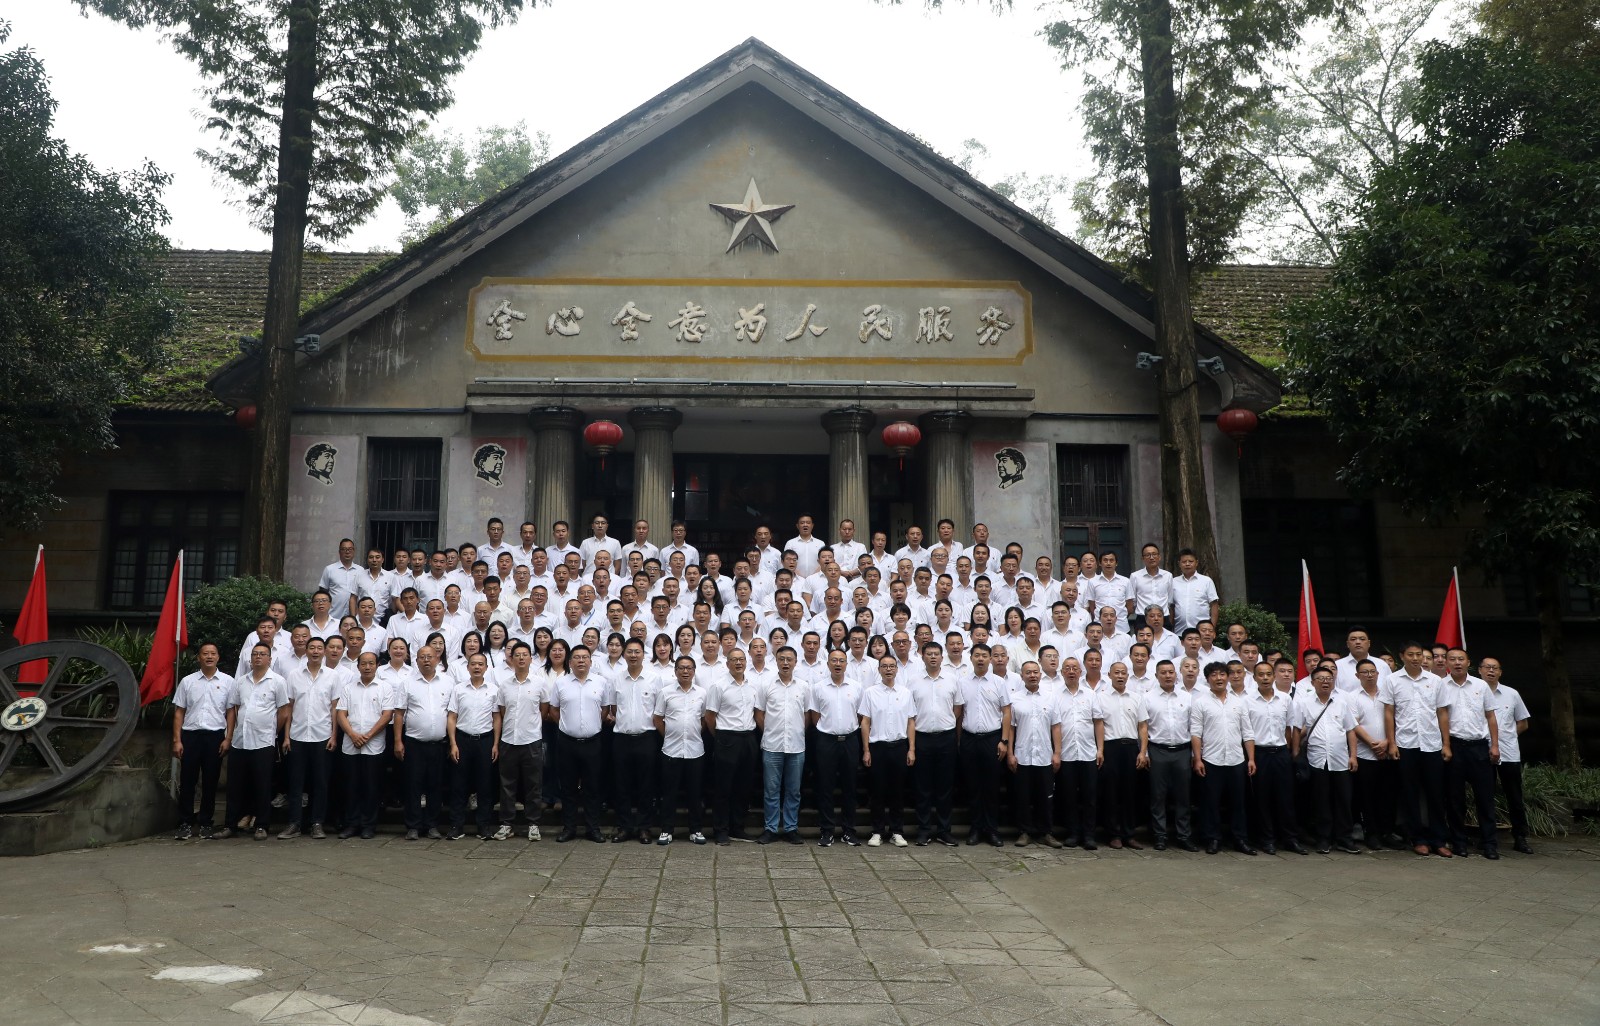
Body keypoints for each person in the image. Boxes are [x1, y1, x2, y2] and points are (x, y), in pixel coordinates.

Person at [216, 643, 290, 840]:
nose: (258, 657)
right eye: (255, 654)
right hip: (240, 741)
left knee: (262, 785)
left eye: (262, 654)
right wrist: (230, 735)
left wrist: (272, 730)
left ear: (269, 659)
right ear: (250, 659)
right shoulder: (241, 681)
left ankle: (262, 825)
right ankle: (230, 825)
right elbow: (234, 708)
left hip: (263, 742)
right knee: (235, 785)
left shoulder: (278, 681)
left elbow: (284, 711)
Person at [1386, 642, 1451, 856]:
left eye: (1419, 655)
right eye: (1411, 654)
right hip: (1406, 744)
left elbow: (1442, 712)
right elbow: (1389, 713)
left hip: (1432, 744)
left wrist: (1446, 744)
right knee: (1410, 793)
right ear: (1402, 656)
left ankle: (1438, 839)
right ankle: (1418, 838)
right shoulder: (1392, 680)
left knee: (1435, 793)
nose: (1415, 658)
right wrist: (1392, 743)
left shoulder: (1435, 681)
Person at [1437, 648, 1501, 859]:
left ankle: (1489, 843)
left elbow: (1490, 716)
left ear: (1468, 662)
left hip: (1479, 747)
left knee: (1485, 797)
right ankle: (1459, 842)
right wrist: (1446, 745)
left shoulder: (1481, 686)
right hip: (1455, 746)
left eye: (1461, 659)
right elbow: (1441, 715)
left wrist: (1494, 745)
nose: (1457, 663)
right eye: (1453, 659)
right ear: (1447, 663)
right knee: (1455, 798)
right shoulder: (1441, 685)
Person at [1190, 662, 1257, 855]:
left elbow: (1247, 732)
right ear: (1207, 679)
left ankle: (1240, 839)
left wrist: (1251, 759)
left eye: (1222, 674)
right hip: (1211, 759)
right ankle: (1213, 838)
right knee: (1210, 802)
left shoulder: (1239, 702)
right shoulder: (1200, 703)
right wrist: (1198, 759)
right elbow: (1196, 733)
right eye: (1214, 675)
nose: (1218, 678)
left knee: (1238, 802)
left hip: (1236, 759)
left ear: (1227, 677)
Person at [1294, 666, 1360, 854]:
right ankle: (1323, 839)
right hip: (1317, 760)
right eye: (1321, 678)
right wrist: (1296, 753)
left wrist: (1353, 756)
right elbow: (1297, 729)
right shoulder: (1304, 703)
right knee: (1321, 801)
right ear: (1313, 682)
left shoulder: (1341, 703)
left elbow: (1350, 730)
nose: (1325, 682)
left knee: (1344, 801)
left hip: (1341, 760)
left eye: (1329, 678)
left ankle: (1345, 839)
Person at [172, 643, 234, 840]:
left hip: (215, 737)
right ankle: (185, 822)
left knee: (210, 781)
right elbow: (179, 712)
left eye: (213, 653)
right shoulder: (188, 681)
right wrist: (177, 740)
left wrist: (228, 738)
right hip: (191, 736)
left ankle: (206, 822)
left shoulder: (228, 681)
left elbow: (231, 712)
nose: (209, 656)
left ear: (218, 657)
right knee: (187, 781)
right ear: (198, 657)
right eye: (205, 653)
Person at [279, 636, 338, 839]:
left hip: (322, 735)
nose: (315, 651)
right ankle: (294, 823)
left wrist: (334, 735)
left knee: (320, 783)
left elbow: (334, 708)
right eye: (311, 648)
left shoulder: (332, 676)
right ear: (306, 651)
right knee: (295, 782)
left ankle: (317, 823)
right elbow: (289, 707)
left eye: (319, 648)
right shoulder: (294, 675)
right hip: (297, 735)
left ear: (324, 651)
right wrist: (286, 736)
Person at [393, 643, 453, 840]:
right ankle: (413, 825)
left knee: (435, 785)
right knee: (413, 785)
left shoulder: (447, 682)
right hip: (414, 743)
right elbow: (399, 714)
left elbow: (452, 714)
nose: (426, 660)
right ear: (416, 661)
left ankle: (432, 825)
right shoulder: (407, 683)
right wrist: (398, 741)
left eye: (430, 657)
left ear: (437, 659)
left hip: (439, 743)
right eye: (422, 657)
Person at [604, 637, 660, 844]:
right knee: (622, 785)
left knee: (647, 785)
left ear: (643, 654)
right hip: (622, 739)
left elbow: (658, 709)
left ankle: (645, 828)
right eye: (630, 652)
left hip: (647, 738)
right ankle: (624, 827)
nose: (633, 655)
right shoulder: (616, 679)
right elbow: (614, 708)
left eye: (637, 652)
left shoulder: (654, 679)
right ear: (624, 654)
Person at [549, 645, 607, 843]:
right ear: (570, 662)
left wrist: (592, 725)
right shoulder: (561, 683)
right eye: (577, 657)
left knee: (593, 787)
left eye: (585, 657)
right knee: (568, 788)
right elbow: (554, 710)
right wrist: (567, 726)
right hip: (567, 743)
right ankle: (569, 828)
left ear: (591, 661)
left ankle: (593, 829)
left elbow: (605, 709)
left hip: (593, 742)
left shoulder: (601, 682)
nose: (581, 661)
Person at [1247, 660, 1304, 855]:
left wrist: (1289, 751)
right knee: (1262, 798)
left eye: (1268, 674)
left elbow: (1289, 727)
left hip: (1280, 753)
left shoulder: (1285, 699)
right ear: (1254, 678)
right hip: (1260, 753)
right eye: (1260, 675)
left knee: (1286, 798)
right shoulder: (1248, 701)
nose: (1265, 678)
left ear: (1273, 676)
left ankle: (1290, 839)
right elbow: (1247, 732)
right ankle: (1267, 839)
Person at [908, 641, 962, 846]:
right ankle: (923, 830)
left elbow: (957, 709)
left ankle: (944, 830)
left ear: (942, 657)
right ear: (922, 656)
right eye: (929, 654)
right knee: (922, 787)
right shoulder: (913, 681)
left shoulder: (952, 679)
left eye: (936, 654)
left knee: (945, 787)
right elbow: (910, 713)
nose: (932, 657)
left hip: (946, 737)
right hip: (921, 737)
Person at [808, 649, 864, 847]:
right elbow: (815, 716)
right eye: (834, 660)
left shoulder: (857, 687)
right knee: (825, 786)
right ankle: (827, 830)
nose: (838, 664)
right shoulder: (818, 688)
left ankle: (849, 830)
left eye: (841, 661)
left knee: (850, 786)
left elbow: (860, 715)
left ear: (846, 664)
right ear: (828, 664)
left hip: (850, 740)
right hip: (826, 741)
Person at [705, 647, 761, 844]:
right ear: (727, 663)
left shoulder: (753, 685)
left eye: (741, 659)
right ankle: (720, 830)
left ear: (746, 662)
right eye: (734, 659)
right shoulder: (718, 686)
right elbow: (710, 717)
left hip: (749, 738)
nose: (738, 663)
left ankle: (737, 828)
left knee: (744, 786)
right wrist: (720, 738)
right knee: (723, 787)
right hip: (727, 738)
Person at [755, 646, 810, 844]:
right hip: (772, 745)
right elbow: (759, 713)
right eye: (782, 659)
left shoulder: (803, 686)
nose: (785, 663)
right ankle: (770, 828)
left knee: (793, 790)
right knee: (771, 790)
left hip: (796, 746)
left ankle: (791, 828)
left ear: (795, 662)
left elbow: (806, 715)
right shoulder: (766, 685)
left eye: (789, 659)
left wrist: (797, 731)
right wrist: (770, 731)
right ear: (776, 661)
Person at [335, 651, 393, 839]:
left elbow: (387, 715)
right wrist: (352, 734)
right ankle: (351, 824)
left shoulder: (385, 687)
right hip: (350, 745)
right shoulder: (348, 688)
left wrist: (368, 736)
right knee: (351, 787)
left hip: (374, 745)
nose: (367, 667)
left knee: (371, 787)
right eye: (364, 664)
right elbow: (341, 714)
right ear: (358, 666)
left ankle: (368, 825)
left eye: (371, 663)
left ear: (377, 665)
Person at [860, 655, 916, 848]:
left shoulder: (905, 693)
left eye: (892, 666)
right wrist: (866, 750)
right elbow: (865, 722)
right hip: (878, 747)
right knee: (877, 791)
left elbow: (910, 721)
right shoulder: (870, 692)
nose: (889, 669)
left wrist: (911, 749)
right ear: (879, 670)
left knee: (897, 791)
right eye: (884, 666)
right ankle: (877, 831)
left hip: (899, 746)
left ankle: (896, 831)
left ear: (897, 669)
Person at [958, 644, 1011, 847]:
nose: (980, 659)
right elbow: (960, 713)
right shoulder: (962, 682)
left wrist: (1004, 741)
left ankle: (992, 830)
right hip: (969, 739)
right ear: (971, 658)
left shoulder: (999, 682)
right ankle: (975, 829)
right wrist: (959, 740)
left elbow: (1006, 712)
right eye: (977, 655)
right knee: (972, 786)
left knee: (991, 787)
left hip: (992, 739)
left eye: (984, 656)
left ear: (990, 659)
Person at [495, 640, 548, 841]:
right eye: (517, 655)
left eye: (525, 654)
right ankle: (506, 824)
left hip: (531, 740)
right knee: (507, 784)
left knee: (533, 784)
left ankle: (533, 824)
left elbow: (543, 709)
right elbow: (502, 711)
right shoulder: (504, 685)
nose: (521, 658)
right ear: (511, 659)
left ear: (530, 658)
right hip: (509, 739)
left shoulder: (539, 683)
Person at [654, 656, 710, 844]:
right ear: (675, 671)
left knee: (695, 793)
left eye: (689, 668)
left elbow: (704, 719)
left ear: (694, 671)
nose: (685, 671)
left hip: (695, 750)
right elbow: (658, 719)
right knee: (669, 793)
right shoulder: (665, 692)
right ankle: (666, 830)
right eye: (681, 668)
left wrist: (693, 734)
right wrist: (670, 735)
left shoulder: (702, 693)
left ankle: (696, 830)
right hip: (671, 749)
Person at [1093, 661, 1148, 849]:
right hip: (1111, 747)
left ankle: (1129, 834)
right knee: (1111, 792)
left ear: (1127, 675)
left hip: (1131, 748)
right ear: (1109, 675)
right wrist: (1100, 750)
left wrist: (1142, 751)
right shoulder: (1100, 698)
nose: (1120, 676)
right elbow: (1099, 725)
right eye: (1116, 672)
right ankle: (1113, 834)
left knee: (1130, 792)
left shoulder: (1136, 697)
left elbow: (1143, 726)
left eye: (1123, 673)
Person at [446, 653, 502, 840]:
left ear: (486, 667)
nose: (477, 667)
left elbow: (496, 718)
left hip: (485, 740)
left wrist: (495, 743)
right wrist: (453, 743)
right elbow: (452, 717)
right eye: (473, 664)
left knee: (485, 785)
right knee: (458, 784)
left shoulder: (494, 690)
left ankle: (484, 826)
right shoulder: (459, 689)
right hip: (462, 740)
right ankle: (456, 825)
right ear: (468, 667)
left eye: (480, 664)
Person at [1008, 660, 1063, 848]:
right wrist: (1010, 753)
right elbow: (1011, 728)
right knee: (1022, 797)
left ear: (1040, 675)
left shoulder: (1051, 698)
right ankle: (1024, 832)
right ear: (1021, 676)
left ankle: (1046, 832)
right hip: (1022, 755)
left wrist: (1057, 753)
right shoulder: (1014, 699)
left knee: (1045, 797)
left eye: (1035, 672)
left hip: (1044, 756)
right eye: (1028, 672)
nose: (1032, 675)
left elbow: (1056, 727)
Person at [1481, 656, 1532, 854]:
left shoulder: (1512, 694)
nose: (1491, 671)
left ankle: (1520, 837)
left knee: (1514, 796)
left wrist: (1508, 737)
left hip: (1509, 753)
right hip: (1482, 752)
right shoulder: (1474, 692)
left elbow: (1523, 723)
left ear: (1500, 672)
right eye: (1487, 667)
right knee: (1485, 796)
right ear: (1480, 670)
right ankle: (1487, 838)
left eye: (1495, 668)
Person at [1144, 659, 1196, 852]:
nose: (1167, 676)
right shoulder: (1148, 698)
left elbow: (1193, 727)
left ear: (1176, 674)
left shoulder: (1187, 697)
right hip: (1157, 750)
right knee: (1158, 796)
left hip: (1182, 750)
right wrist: (1145, 752)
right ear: (1156, 675)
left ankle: (1184, 836)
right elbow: (1144, 727)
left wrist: (1194, 753)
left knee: (1183, 796)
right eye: (1163, 672)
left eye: (1171, 672)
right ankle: (1160, 835)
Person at [1349, 658, 1400, 850]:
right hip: (1365, 754)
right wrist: (1373, 744)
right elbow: (1353, 724)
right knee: (1367, 797)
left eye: (1373, 672)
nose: (1369, 675)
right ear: (1357, 676)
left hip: (1388, 752)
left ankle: (1387, 832)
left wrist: (1387, 742)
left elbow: (1396, 718)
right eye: (1365, 672)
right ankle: (1371, 834)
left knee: (1388, 795)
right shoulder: (1352, 697)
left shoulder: (1387, 694)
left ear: (1378, 674)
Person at [1169, 549, 1220, 633]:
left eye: (1190, 561)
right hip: (1180, 631)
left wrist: (1211, 628)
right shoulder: (1173, 582)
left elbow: (1214, 605)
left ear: (1196, 563)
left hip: (1202, 632)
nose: (1187, 564)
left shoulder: (1206, 581)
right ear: (1179, 564)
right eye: (1184, 562)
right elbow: (1171, 607)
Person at [320, 538, 363, 617]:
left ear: (354, 551)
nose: (347, 552)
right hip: (334, 615)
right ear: (339, 552)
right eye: (344, 549)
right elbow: (323, 593)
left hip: (355, 617)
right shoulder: (329, 569)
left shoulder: (361, 570)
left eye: (350, 549)